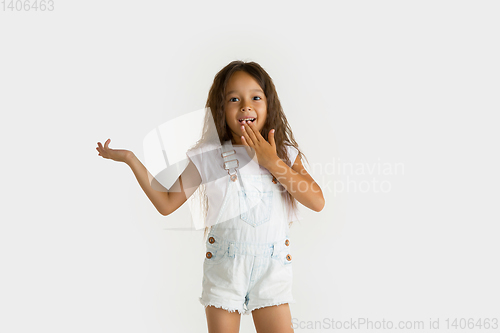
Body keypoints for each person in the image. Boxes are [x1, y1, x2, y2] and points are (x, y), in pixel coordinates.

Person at [96, 60, 325, 333]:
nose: (245, 106)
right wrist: (131, 159)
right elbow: (167, 203)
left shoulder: (284, 154)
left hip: (272, 269)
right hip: (225, 268)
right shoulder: (209, 157)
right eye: (234, 99)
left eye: (255, 97)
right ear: (221, 107)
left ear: (269, 104)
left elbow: (317, 201)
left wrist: (272, 161)